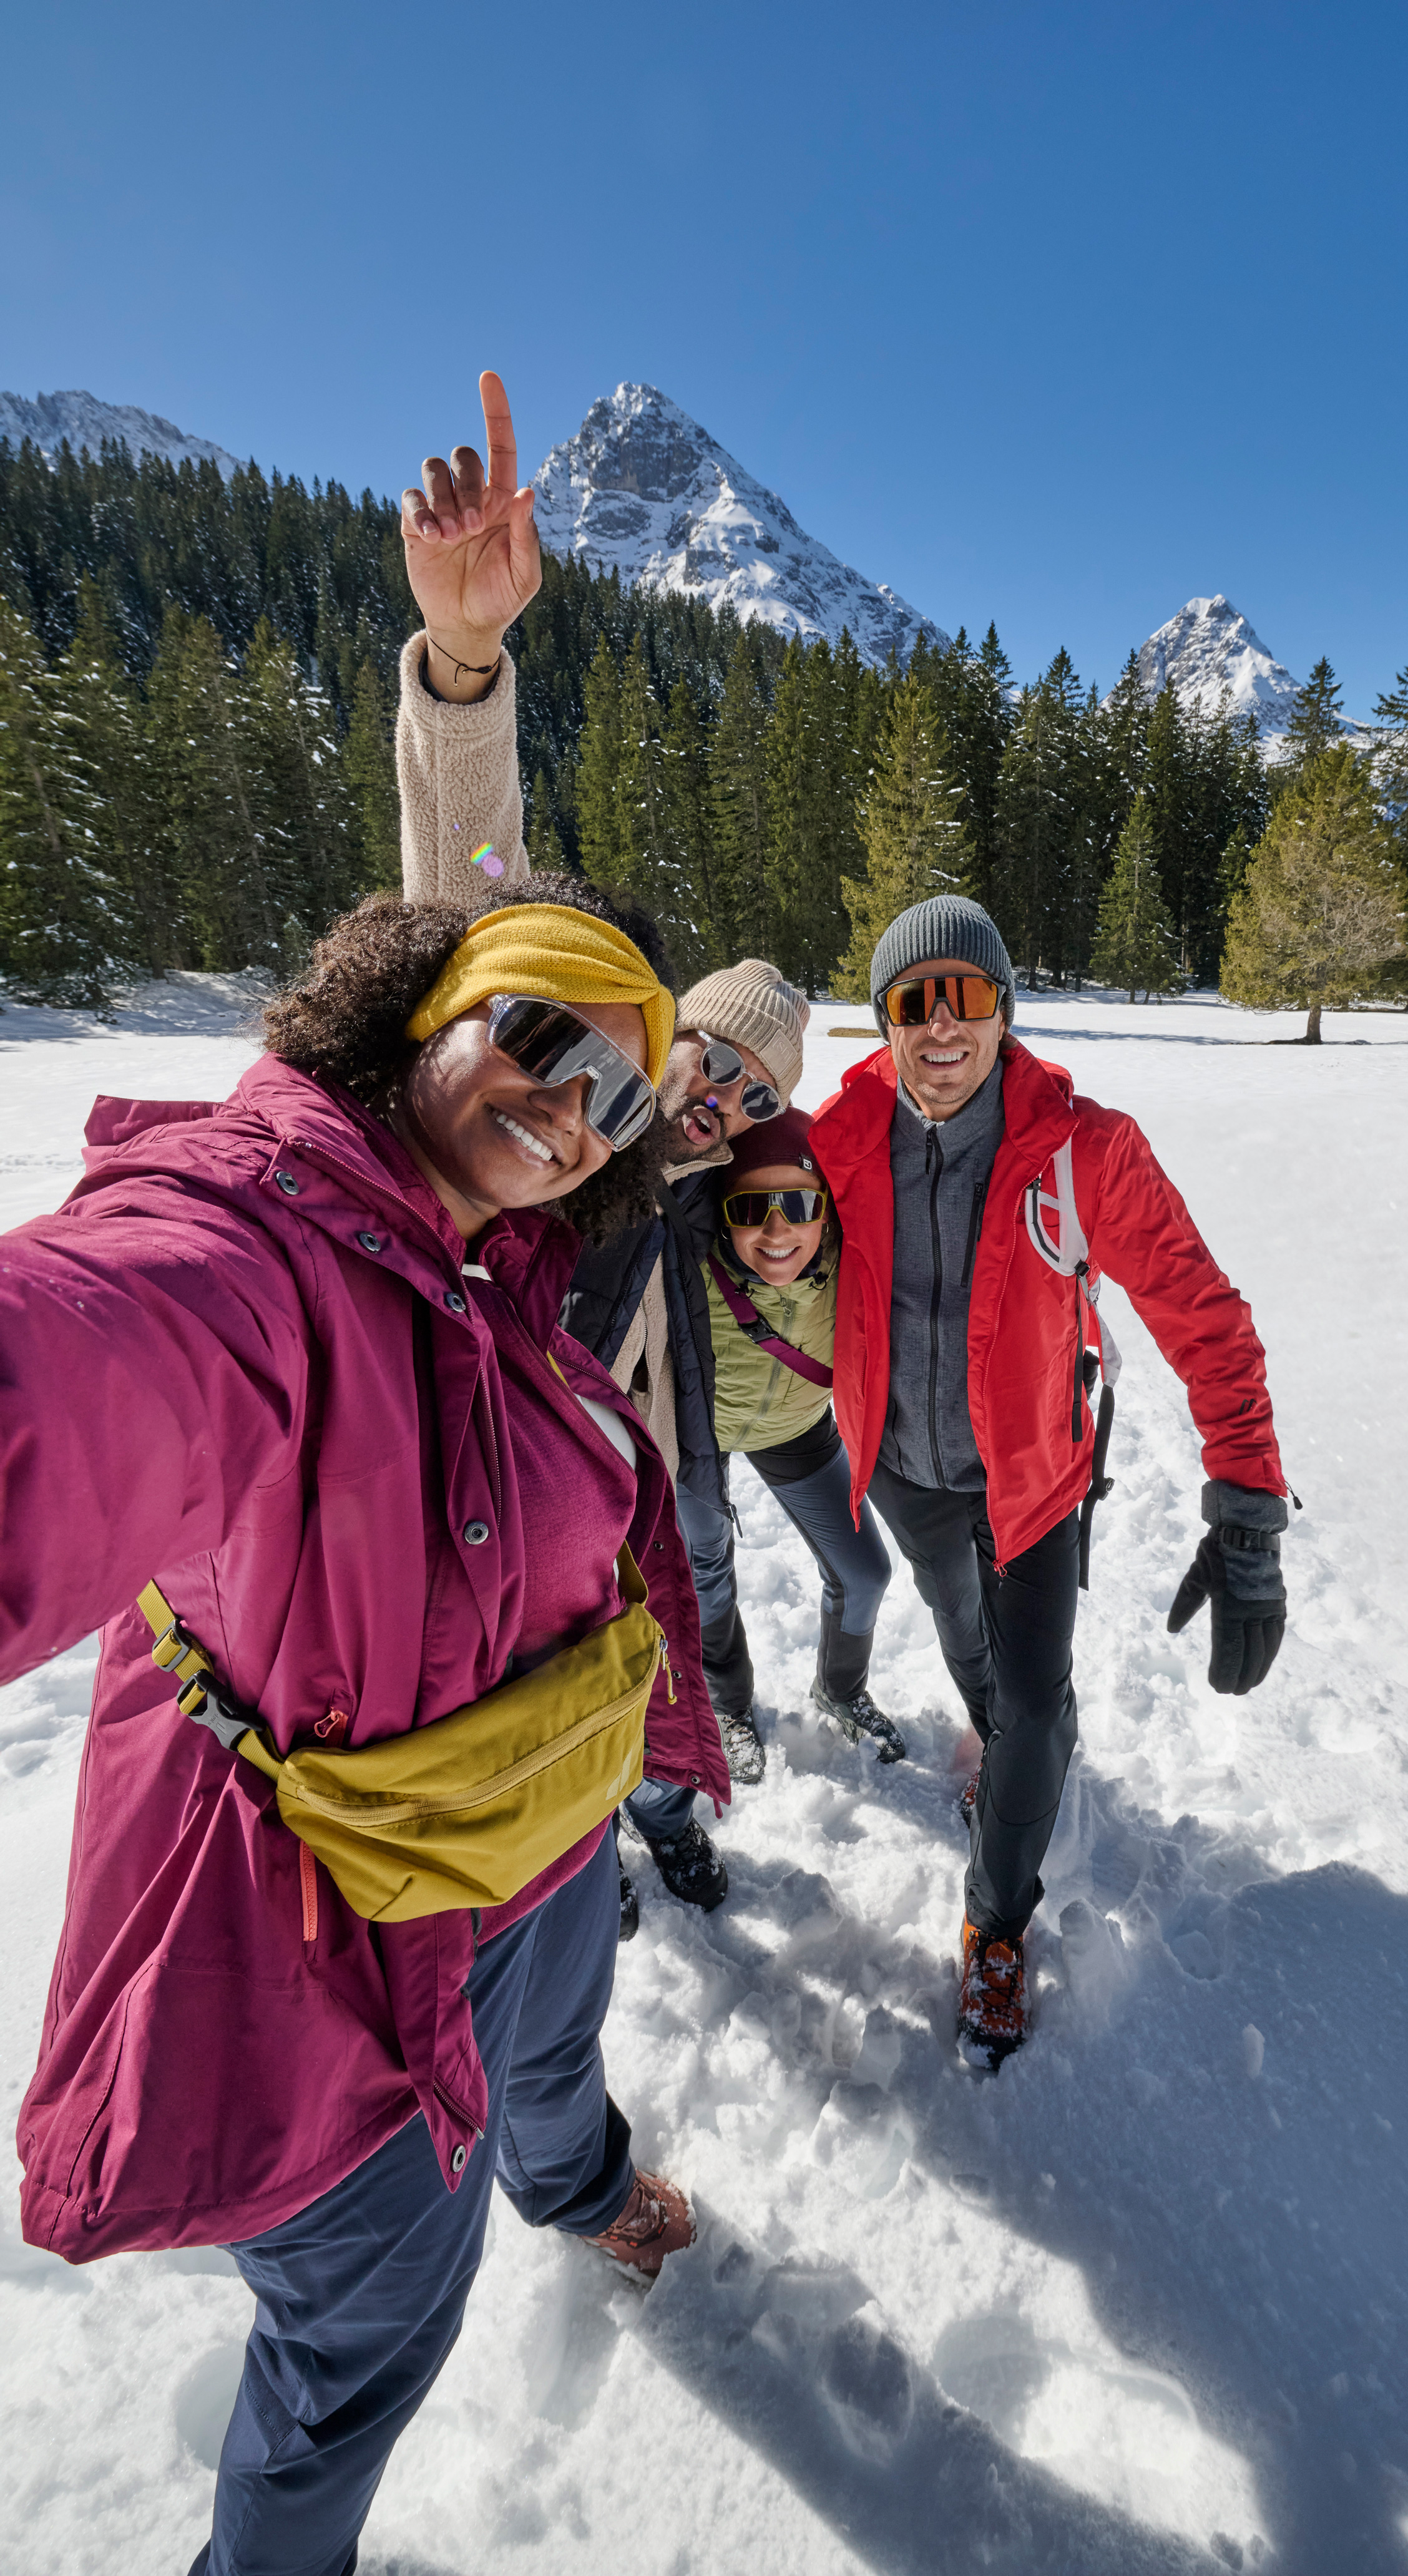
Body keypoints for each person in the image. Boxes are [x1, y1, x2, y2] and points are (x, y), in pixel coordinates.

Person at [0, 874, 726, 2575]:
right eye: (542, 1038)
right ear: (425, 1007)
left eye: (616, 1096)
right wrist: (464, 684)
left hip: (536, 1852)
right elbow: (83, 1368)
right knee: (363, 2346)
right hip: (332, 1949)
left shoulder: (502, 1259)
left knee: (555, 2066)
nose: (567, 1108)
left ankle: (577, 2182)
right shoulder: (254, 1240)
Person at [394, 371, 809, 1918]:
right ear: (659, 1034)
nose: (713, 1100)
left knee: (630, 1676)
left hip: (615, 1498)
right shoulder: (567, 1140)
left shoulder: (702, 1177)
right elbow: (473, 898)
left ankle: (653, 1827)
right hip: (471, 1510)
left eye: (750, 1098)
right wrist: (466, 664)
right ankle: (580, 1872)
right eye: (702, 1062)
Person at [811, 894, 1289, 2069]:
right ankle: (993, 1734)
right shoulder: (833, 1140)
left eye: (964, 996)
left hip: (1033, 1486)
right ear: (881, 1021)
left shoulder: (1085, 1150)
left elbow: (1207, 1321)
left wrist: (1245, 1504)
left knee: (1032, 1696)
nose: (939, 1026)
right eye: (910, 1002)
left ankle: (996, 1918)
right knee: (967, 1649)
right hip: (904, 1476)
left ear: (1003, 1010)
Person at [701, 1108, 901, 1761]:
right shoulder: (683, 1265)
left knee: (865, 1573)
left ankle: (839, 1691)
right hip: (690, 1439)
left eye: (798, 1203)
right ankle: (728, 1707)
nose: (778, 1229)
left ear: (828, 1209)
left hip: (797, 1428)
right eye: (751, 1208)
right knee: (706, 1578)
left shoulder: (855, 1258)